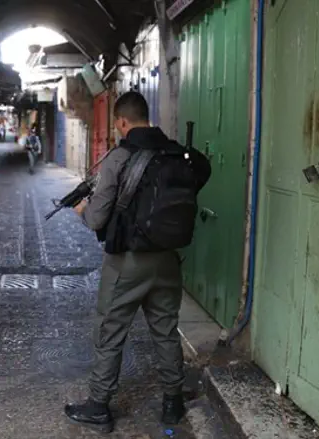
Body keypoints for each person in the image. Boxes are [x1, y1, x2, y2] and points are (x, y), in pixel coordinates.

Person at [65, 91, 211, 433]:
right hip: (168, 260)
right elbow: (200, 175)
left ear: (121, 122)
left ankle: (98, 405)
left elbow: (97, 219)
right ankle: (172, 402)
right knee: (165, 329)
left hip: (127, 262)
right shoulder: (178, 153)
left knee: (110, 330)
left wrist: (82, 210)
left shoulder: (120, 157)